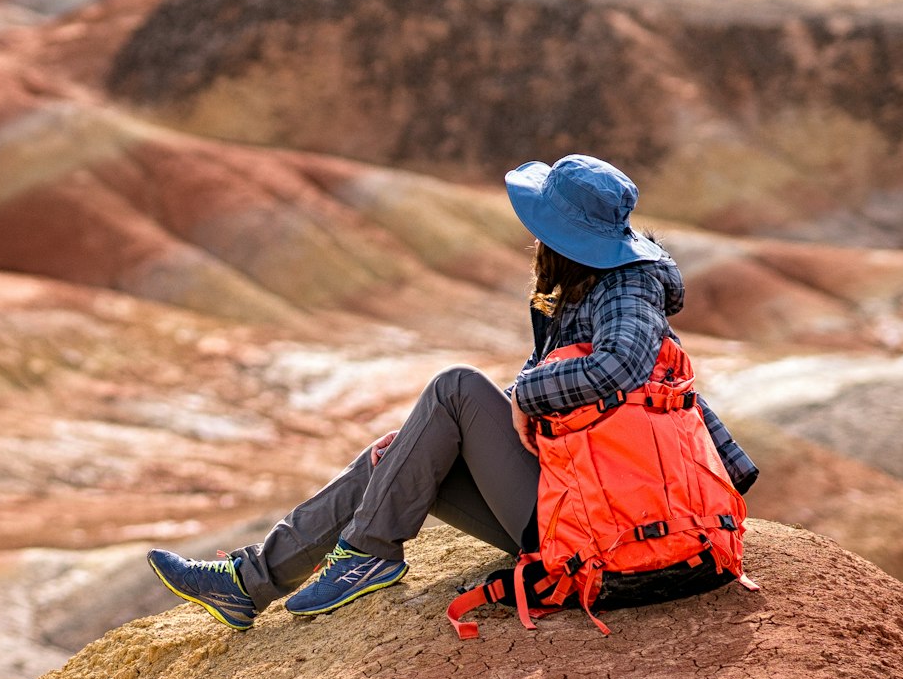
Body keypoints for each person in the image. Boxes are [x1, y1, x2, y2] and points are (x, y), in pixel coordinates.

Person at [148, 153, 758, 628]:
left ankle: (366, 554)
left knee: (455, 388)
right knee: (397, 455)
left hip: (606, 534)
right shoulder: (589, 288)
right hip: (579, 506)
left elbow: (615, 369)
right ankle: (249, 582)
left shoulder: (628, 289)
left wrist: (523, 394)